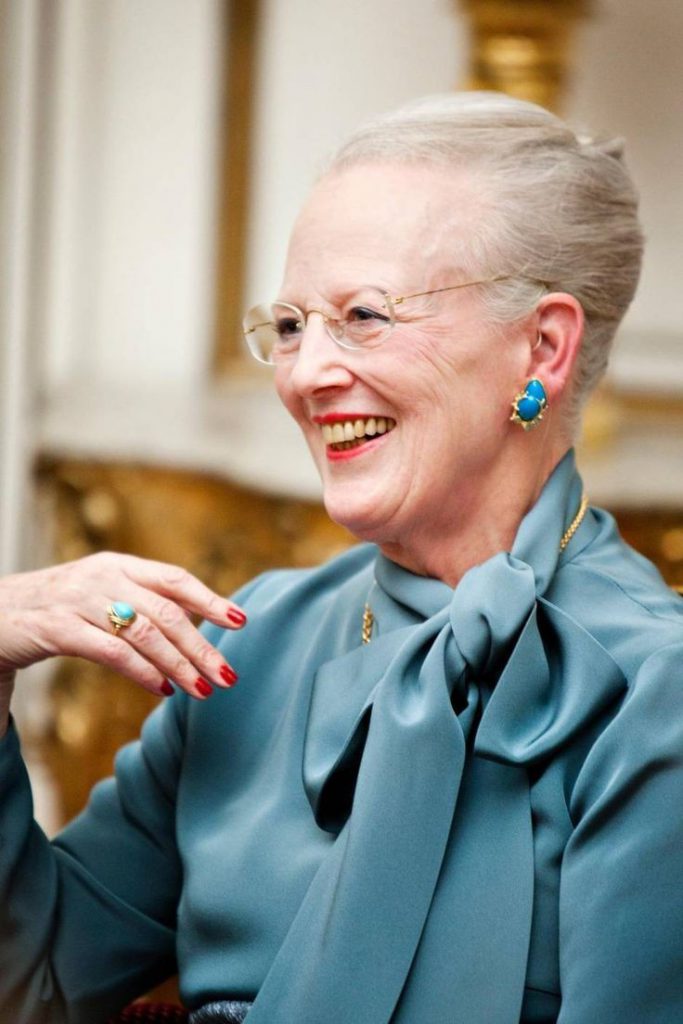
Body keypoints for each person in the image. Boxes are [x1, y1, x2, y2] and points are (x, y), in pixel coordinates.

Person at [0, 91, 681, 1024]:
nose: (307, 374)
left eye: (364, 315)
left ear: (542, 347)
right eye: (289, 325)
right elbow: (31, 983)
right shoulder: (253, 642)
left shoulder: (652, 695)